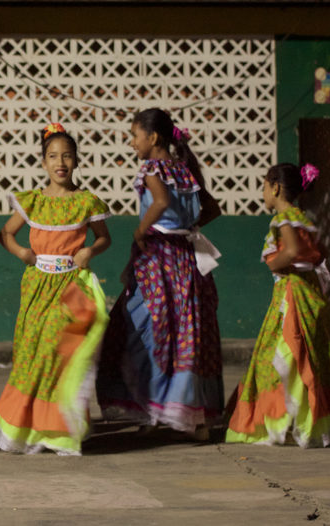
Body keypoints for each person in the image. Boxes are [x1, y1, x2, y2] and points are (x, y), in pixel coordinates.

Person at [225, 163, 330, 447]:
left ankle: (283, 420)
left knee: (281, 355)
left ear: (275, 187)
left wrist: (275, 263)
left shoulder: (282, 219)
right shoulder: (304, 219)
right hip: (310, 292)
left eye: (263, 185)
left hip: (292, 293)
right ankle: (302, 419)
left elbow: (293, 251)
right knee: (311, 355)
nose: (263, 192)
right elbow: (320, 254)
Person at [96, 108, 224, 440]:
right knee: (186, 331)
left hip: (158, 260)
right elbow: (212, 208)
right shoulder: (186, 170)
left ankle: (151, 411)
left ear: (152, 138)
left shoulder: (152, 167)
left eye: (135, 135)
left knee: (144, 329)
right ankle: (193, 418)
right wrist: (186, 229)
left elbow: (161, 200)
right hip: (186, 260)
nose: (132, 142)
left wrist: (142, 229)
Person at [0, 123, 112, 455]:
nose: (60, 162)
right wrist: (21, 253)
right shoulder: (31, 201)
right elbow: (5, 234)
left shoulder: (86, 201)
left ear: (76, 162)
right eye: (53, 156)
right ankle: (29, 426)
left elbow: (104, 237)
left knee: (56, 351)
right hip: (35, 286)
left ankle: (59, 429)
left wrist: (91, 249)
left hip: (70, 286)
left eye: (67, 156)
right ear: (43, 162)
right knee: (31, 353)